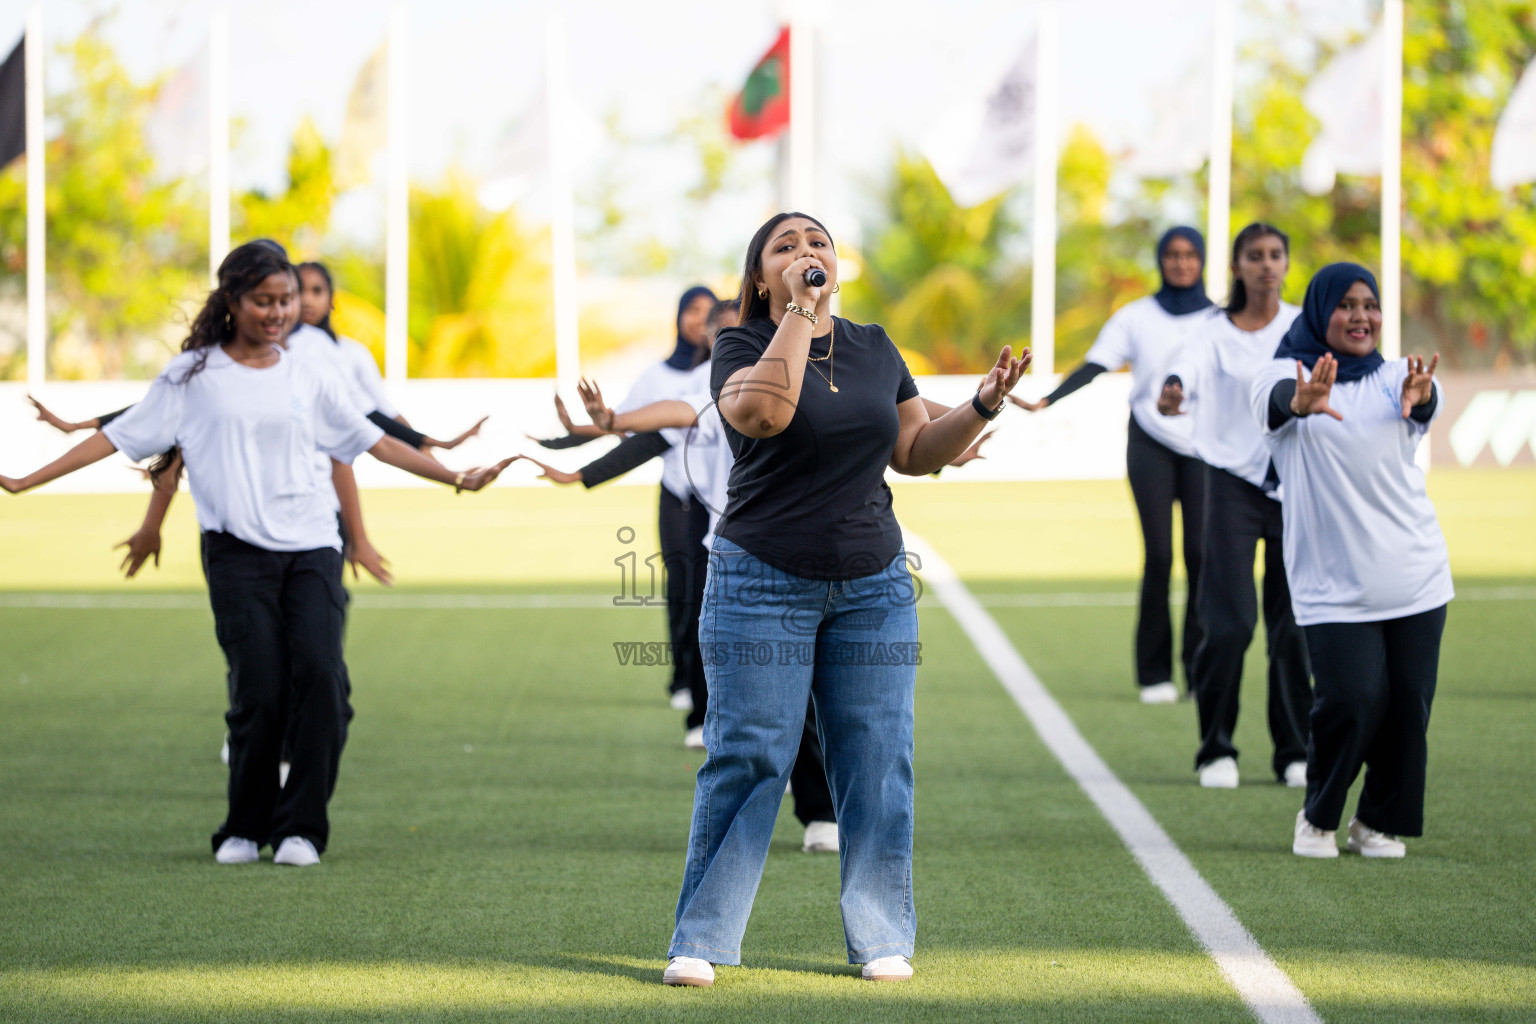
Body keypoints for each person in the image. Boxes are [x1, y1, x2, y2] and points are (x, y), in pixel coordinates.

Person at [1, 243, 512, 867]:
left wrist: (455, 477)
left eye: (287, 300)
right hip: (236, 555)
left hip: (312, 549)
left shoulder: (311, 373)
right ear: (232, 301)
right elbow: (115, 438)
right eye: (264, 301)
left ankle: (302, 829)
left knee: (323, 681)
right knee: (260, 691)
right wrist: (27, 481)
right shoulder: (192, 376)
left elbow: (374, 443)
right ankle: (243, 827)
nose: (278, 312)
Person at [657, 212, 1027, 988]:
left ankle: (881, 934)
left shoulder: (875, 346)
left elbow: (914, 452)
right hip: (760, 578)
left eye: (818, 242)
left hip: (873, 584)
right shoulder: (740, 345)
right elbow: (765, 414)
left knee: (877, 756)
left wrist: (982, 405)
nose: (807, 252)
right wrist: (799, 310)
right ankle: (702, 937)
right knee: (751, 755)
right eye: (786, 247)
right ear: (760, 277)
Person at [1248, 263, 1451, 860]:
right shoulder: (1281, 373)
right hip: (1333, 585)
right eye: (1346, 305)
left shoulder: (1398, 375)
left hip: (1416, 574)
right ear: (1320, 311)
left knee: (1408, 706)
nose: (1361, 316)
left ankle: (1377, 822)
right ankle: (1318, 818)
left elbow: (1425, 402)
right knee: (1351, 700)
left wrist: (1422, 398)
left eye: (1370, 305)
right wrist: (1301, 400)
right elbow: (1276, 405)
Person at [1012, 227, 1212, 704]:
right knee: (1159, 557)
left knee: (1202, 558)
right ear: (1160, 260)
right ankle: (1155, 675)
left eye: (1190, 254)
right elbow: (1096, 365)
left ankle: (1200, 674)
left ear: (1202, 260)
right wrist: (1047, 400)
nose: (1181, 262)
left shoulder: (1220, 319)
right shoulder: (1135, 316)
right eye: (1172, 254)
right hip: (1150, 443)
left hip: (1205, 447)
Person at [1158, 223, 1312, 790]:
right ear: (1237, 266)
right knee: (1229, 625)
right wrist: (1174, 390)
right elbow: (1186, 368)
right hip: (1230, 485)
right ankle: (1215, 749)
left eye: (1276, 254)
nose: (1267, 264)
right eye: (1255, 256)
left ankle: (1295, 752)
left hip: (1294, 486)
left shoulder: (1303, 325)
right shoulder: (1213, 330)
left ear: (1287, 263)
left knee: (1292, 628)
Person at [295, 261, 488, 454]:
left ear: (332, 299)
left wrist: (432, 452)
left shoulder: (349, 352)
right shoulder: (284, 351)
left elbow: (373, 413)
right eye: (299, 291)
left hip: (332, 457)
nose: (306, 300)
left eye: (317, 291)